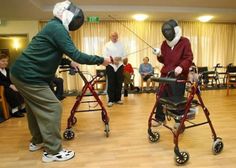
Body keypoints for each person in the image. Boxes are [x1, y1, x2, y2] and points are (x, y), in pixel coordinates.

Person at [10, 0, 111, 163]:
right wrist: (101, 60)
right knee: (53, 107)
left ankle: (37, 141)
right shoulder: (57, 28)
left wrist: (67, 62)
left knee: (34, 108)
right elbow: (77, 55)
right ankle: (53, 151)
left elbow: (51, 52)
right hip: (30, 76)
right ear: (66, 14)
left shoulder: (54, 27)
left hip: (22, 73)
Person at [153, 19, 193, 127]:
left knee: (176, 99)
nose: (166, 33)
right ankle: (159, 118)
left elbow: (189, 58)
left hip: (178, 76)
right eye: (165, 31)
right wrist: (159, 55)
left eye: (168, 30)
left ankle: (179, 122)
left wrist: (181, 66)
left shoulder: (185, 42)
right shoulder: (164, 44)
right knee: (160, 96)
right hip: (165, 75)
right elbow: (164, 61)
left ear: (175, 30)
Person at [103, 32, 126, 107]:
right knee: (111, 83)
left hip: (119, 65)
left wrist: (120, 58)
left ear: (117, 36)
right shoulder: (107, 45)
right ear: (110, 36)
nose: (114, 37)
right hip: (110, 65)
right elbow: (105, 56)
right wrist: (113, 61)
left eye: (116, 36)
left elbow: (124, 56)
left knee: (119, 82)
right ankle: (111, 100)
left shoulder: (121, 45)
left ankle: (118, 99)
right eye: (113, 36)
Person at [0, 53, 25, 118]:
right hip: (2, 89)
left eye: (6, 61)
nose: (5, 63)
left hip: (9, 87)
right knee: (9, 90)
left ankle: (22, 107)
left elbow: (11, 79)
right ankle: (14, 111)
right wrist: (10, 85)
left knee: (19, 87)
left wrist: (15, 84)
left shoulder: (7, 70)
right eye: (3, 61)